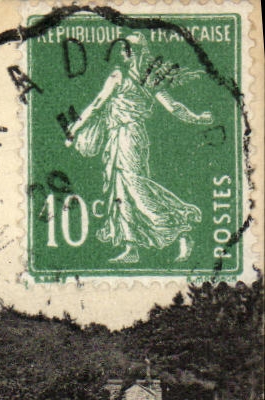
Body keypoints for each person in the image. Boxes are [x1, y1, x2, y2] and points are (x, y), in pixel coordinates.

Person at [66, 32, 214, 264]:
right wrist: (197, 118)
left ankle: (181, 227)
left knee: (134, 187)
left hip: (128, 137)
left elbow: (96, 105)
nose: (123, 54)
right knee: (121, 190)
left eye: (126, 50)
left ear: (130, 53)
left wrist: (74, 129)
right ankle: (132, 247)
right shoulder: (148, 80)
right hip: (123, 137)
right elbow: (175, 107)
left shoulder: (121, 76)